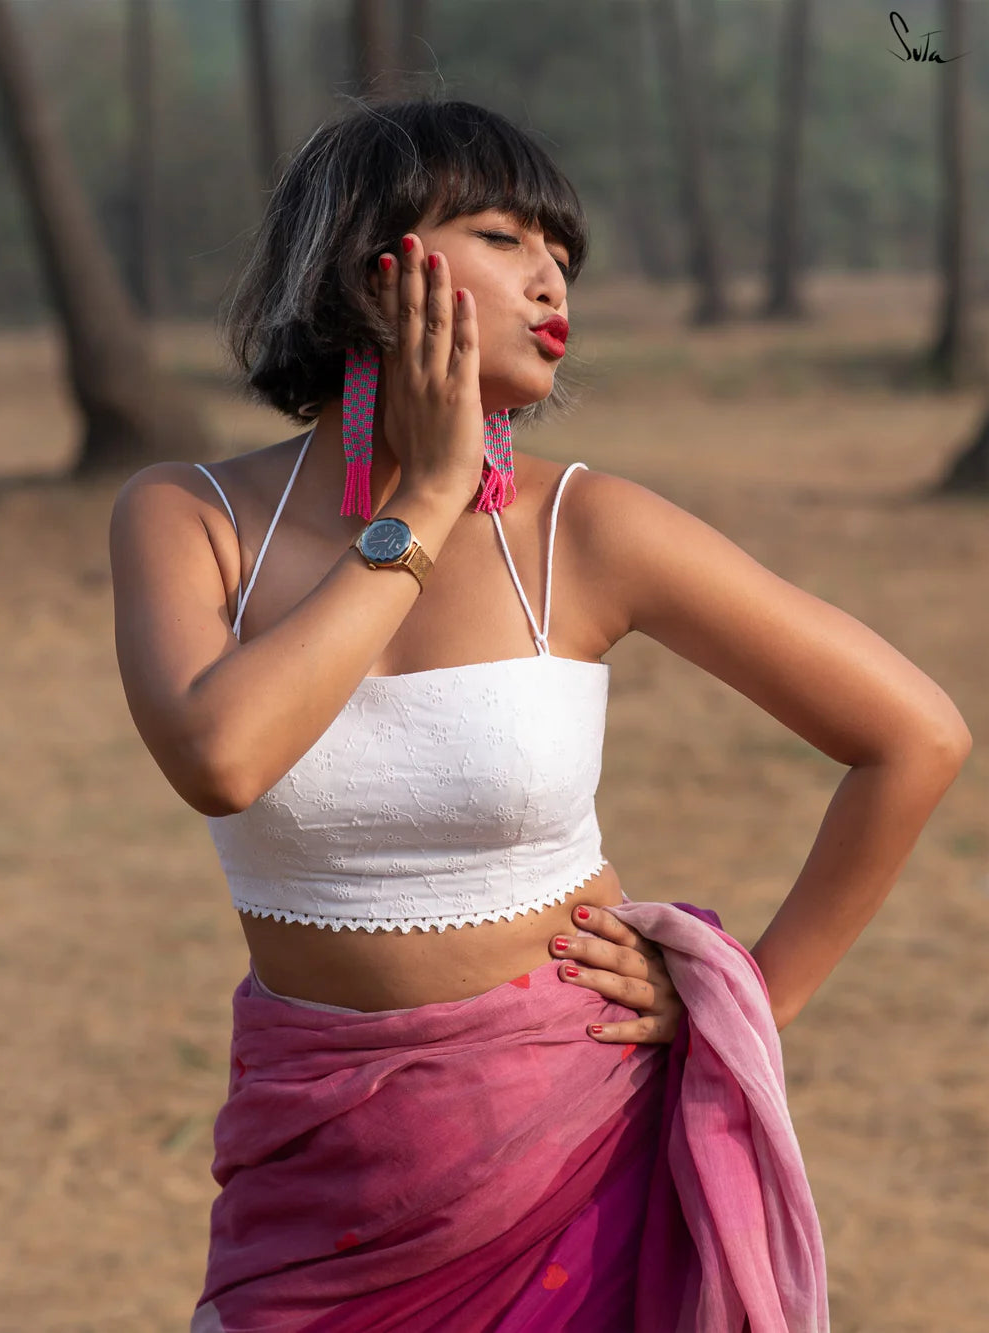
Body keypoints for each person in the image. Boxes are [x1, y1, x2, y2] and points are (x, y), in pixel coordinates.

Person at [109, 98, 971, 1332]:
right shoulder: (185, 517)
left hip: (582, 1146)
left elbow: (915, 734)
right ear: (374, 261)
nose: (551, 274)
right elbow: (221, 756)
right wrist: (428, 501)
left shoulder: (584, 530)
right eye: (505, 235)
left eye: (561, 251)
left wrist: (746, 1004)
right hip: (316, 1176)